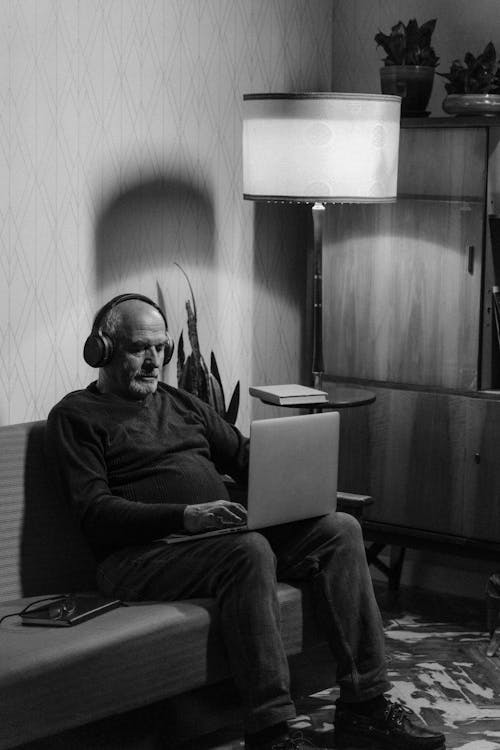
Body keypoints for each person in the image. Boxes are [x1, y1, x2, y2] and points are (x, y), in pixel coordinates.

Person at [45, 293, 446, 750]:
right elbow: (94, 512)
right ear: (102, 349)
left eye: (162, 348)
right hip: (138, 559)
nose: (154, 360)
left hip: (213, 543)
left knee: (340, 530)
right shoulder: (75, 417)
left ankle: (365, 706)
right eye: (140, 348)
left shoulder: (182, 403)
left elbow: (243, 458)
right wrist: (185, 517)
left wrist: (298, 477)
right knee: (249, 550)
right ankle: (270, 731)